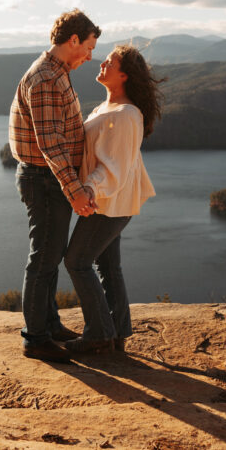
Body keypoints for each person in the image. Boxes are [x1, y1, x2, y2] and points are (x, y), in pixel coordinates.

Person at [10, 9, 101, 363]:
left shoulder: (56, 72)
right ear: (73, 40)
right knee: (44, 259)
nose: (91, 56)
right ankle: (35, 339)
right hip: (45, 181)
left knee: (50, 254)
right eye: (89, 47)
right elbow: (50, 142)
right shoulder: (47, 78)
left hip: (47, 180)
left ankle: (48, 324)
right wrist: (75, 189)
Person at [63, 44, 163, 355]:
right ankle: (117, 333)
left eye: (110, 62)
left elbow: (115, 167)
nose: (102, 63)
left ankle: (98, 336)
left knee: (76, 262)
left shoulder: (125, 114)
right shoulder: (104, 110)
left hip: (108, 203)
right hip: (110, 201)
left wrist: (89, 190)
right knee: (107, 264)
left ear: (124, 75)